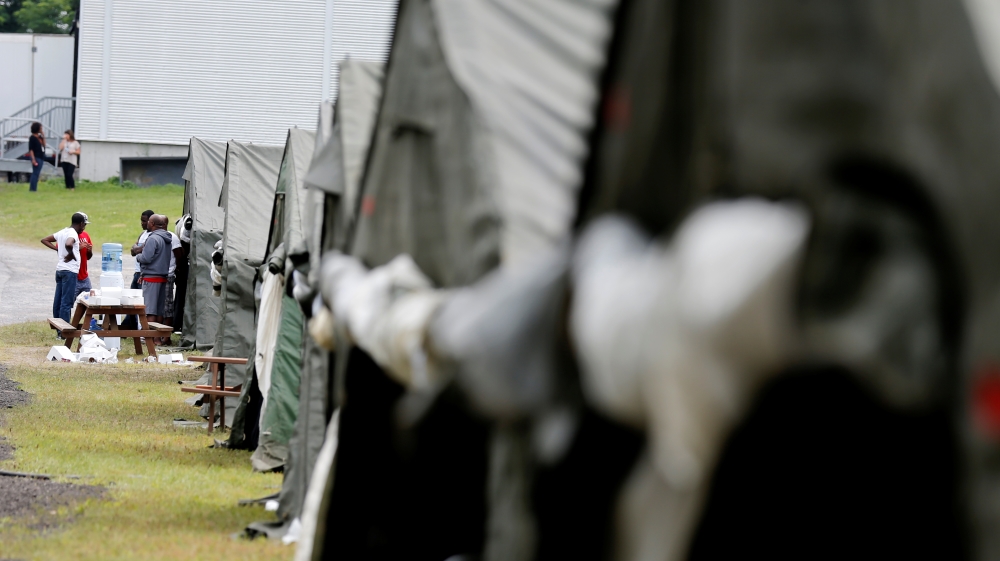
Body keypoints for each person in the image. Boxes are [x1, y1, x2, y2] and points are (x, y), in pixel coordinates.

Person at [40, 213, 87, 325]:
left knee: (58, 301)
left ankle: (58, 329)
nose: (84, 228)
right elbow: (69, 244)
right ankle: (64, 332)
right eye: (84, 225)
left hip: (60, 270)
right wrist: (71, 254)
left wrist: (57, 249)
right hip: (69, 272)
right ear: (81, 224)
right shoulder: (73, 233)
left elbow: (44, 240)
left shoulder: (63, 231)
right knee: (66, 302)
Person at [135, 214, 173, 344]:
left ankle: (150, 338)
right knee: (159, 309)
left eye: (149, 222)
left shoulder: (153, 239)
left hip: (151, 277)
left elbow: (146, 258)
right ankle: (157, 339)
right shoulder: (168, 238)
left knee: (150, 310)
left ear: (152, 224)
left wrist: (138, 255)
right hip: (162, 277)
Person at [163, 216, 184, 341]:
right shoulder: (148, 235)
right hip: (156, 276)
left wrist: (176, 269)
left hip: (168, 276)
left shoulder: (172, 238)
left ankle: (166, 337)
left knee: (167, 307)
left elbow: (179, 255)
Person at [130, 210, 155, 289]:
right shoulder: (142, 234)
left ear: (151, 221)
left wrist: (136, 247)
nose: (142, 223)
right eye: (141, 220)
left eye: (144, 221)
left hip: (145, 274)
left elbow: (137, 250)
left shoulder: (153, 236)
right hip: (137, 272)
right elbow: (133, 252)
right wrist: (136, 248)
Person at [74, 212, 94, 297]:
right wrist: (78, 248)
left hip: (85, 277)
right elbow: (62, 253)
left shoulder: (85, 235)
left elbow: (88, 257)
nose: (84, 227)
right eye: (83, 224)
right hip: (73, 278)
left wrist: (89, 251)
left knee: (90, 302)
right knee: (69, 303)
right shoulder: (69, 235)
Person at [27, 122, 45, 192]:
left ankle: (34, 188)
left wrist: (43, 136)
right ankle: (32, 189)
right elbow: (31, 149)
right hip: (36, 156)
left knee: (37, 173)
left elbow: (44, 144)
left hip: (41, 156)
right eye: (40, 128)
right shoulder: (32, 138)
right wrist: (33, 159)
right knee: (35, 173)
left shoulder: (40, 137)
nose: (41, 129)